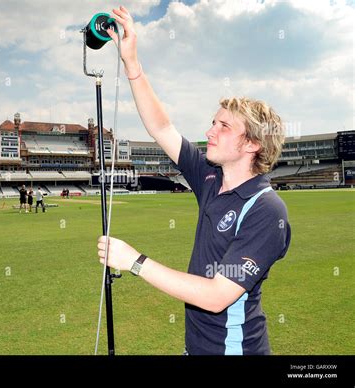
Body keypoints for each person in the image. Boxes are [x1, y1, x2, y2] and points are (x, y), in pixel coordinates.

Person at [97, 6, 291, 356]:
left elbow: (217, 296)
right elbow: (161, 128)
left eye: (223, 126)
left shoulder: (265, 210)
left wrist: (135, 261)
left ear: (252, 145)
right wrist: (132, 64)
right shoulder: (210, 178)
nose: (209, 131)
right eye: (213, 123)